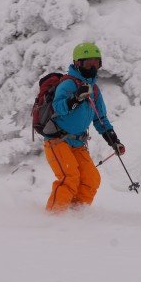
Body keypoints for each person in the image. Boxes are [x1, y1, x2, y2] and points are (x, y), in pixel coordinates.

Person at [43, 42, 125, 213]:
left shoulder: (94, 90)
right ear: (78, 64)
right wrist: (76, 98)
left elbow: (100, 119)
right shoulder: (68, 84)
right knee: (69, 177)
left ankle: (76, 215)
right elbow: (58, 108)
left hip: (77, 143)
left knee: (91, 179)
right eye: (89, 64)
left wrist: (114, 141)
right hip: (57, 140)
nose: (93, 67)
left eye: (97, 63)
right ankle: (53, 217)